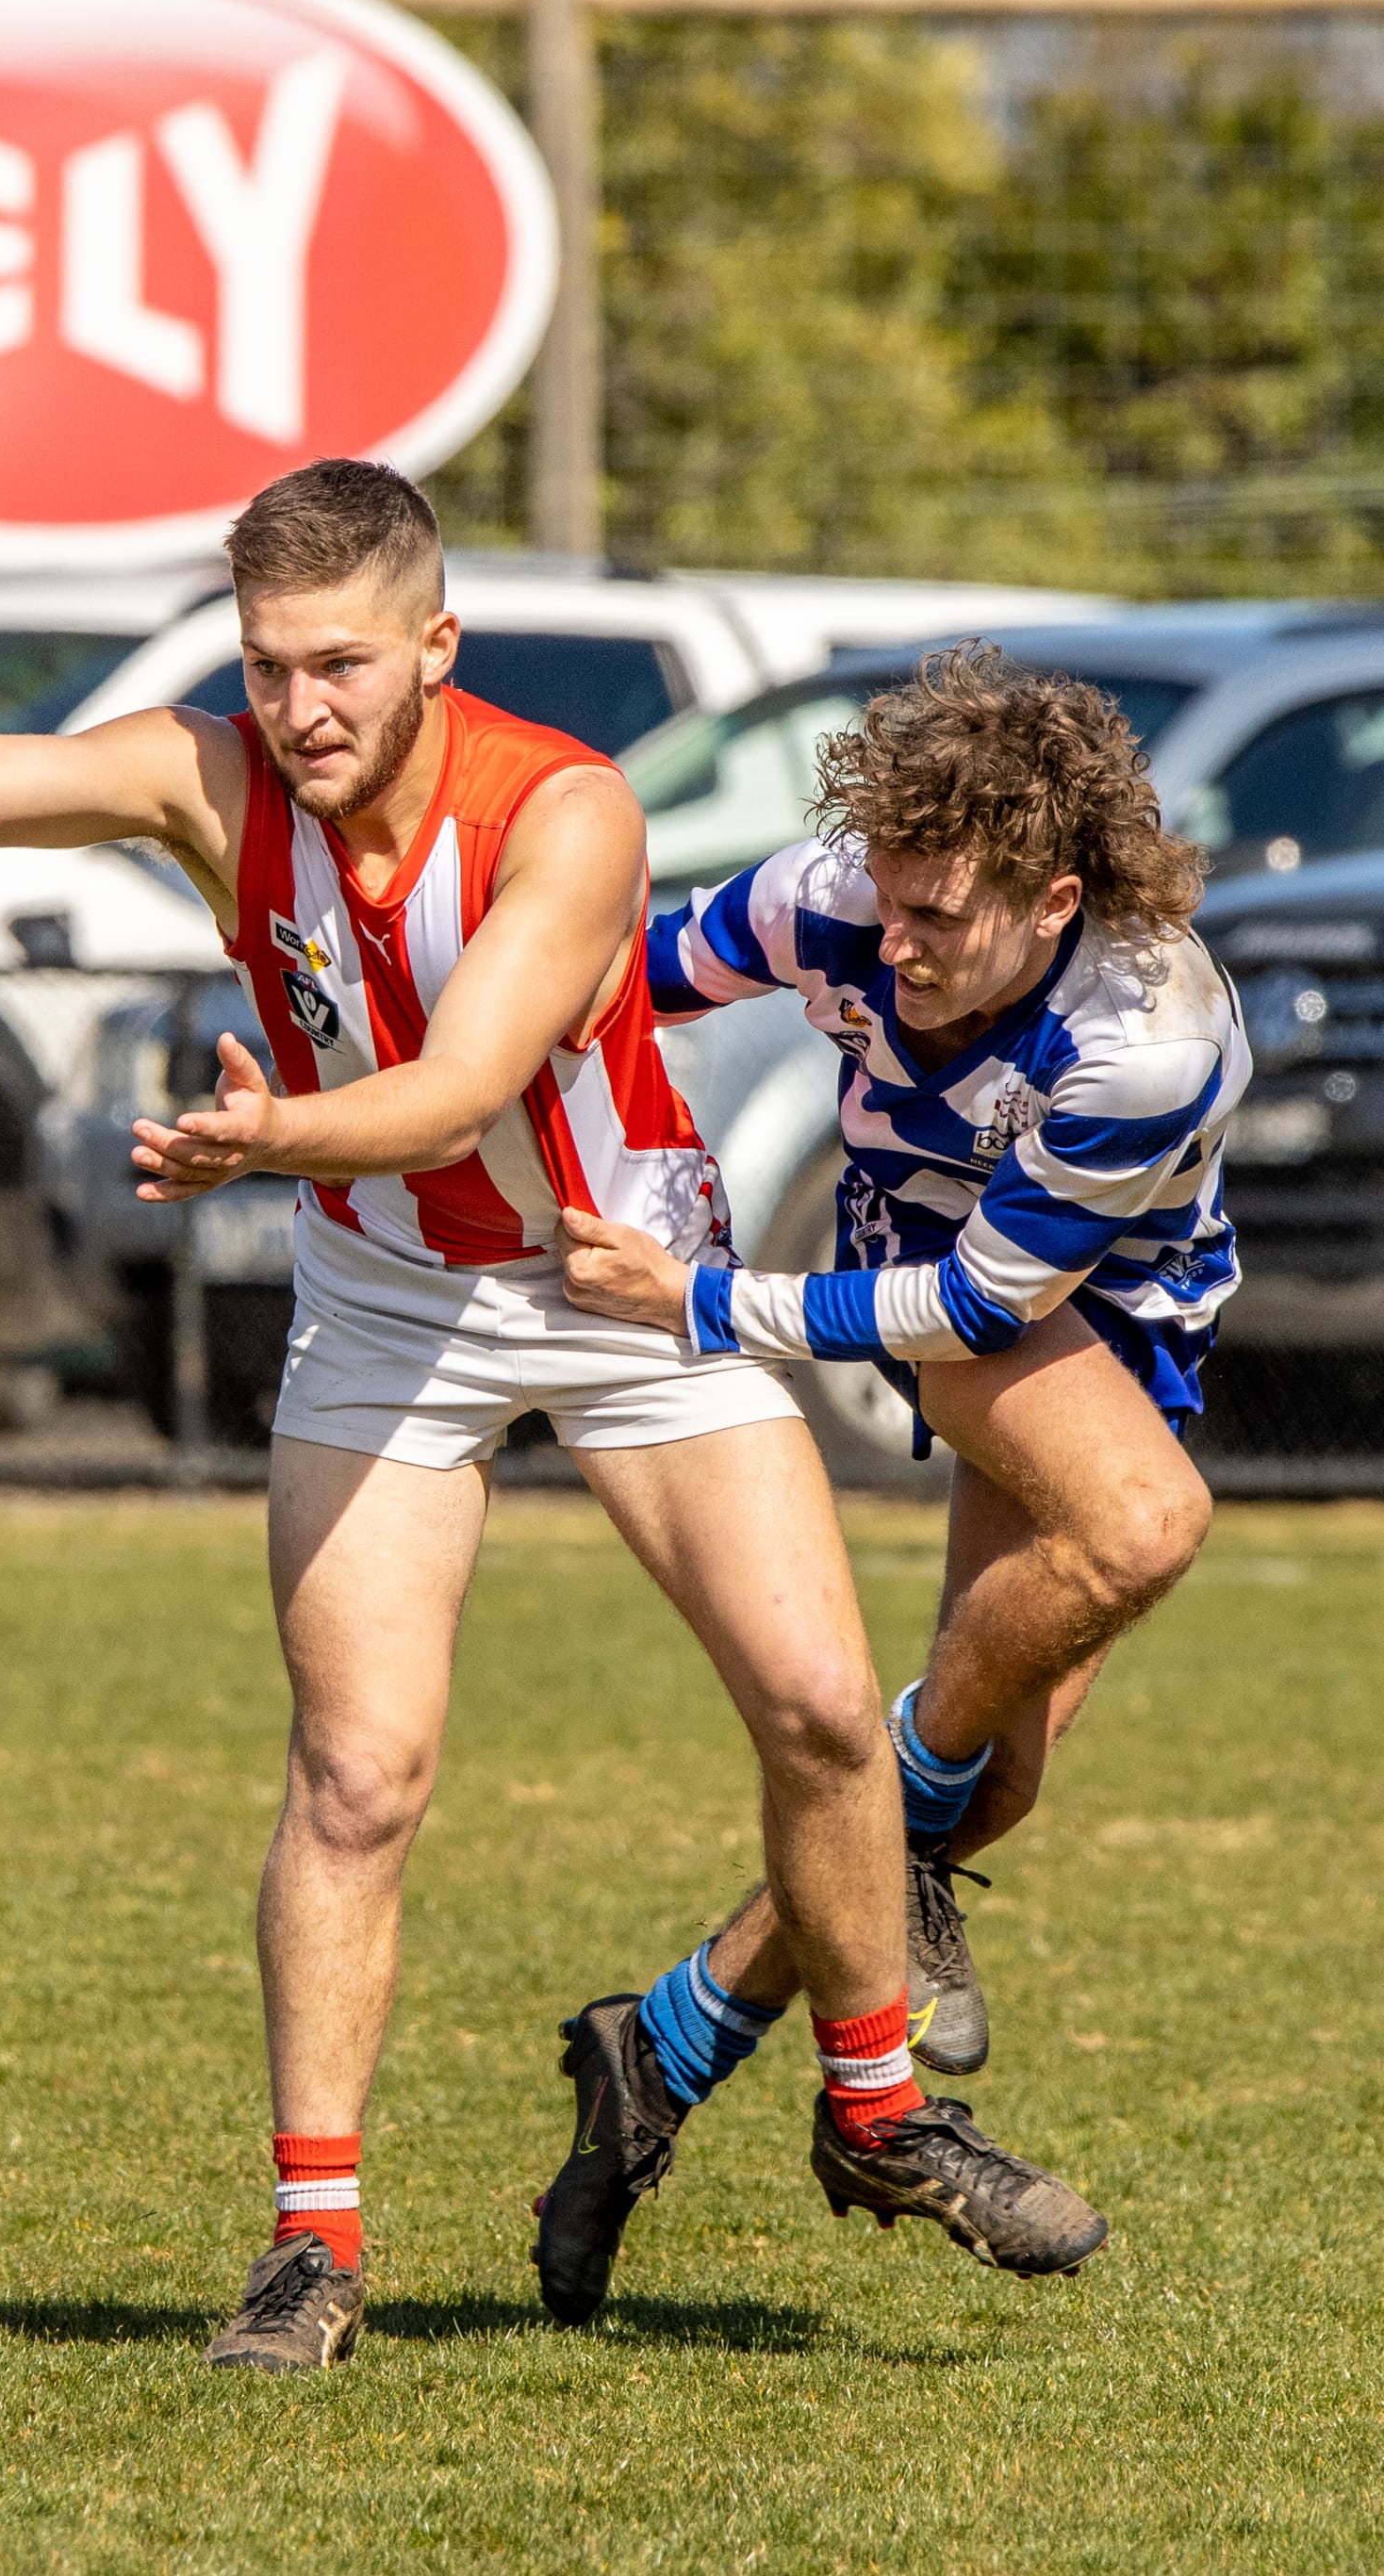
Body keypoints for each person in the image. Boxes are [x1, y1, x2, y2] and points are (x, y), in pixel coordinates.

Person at [0, 467, 1103, 2373]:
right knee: (357, 1775)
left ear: (435, 648)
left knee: (823, 1708)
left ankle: (878, 2118)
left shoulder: (565, 810)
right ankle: (311, 2247)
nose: (298, 706)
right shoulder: (210, 775)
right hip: (389, 1303)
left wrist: (269, 1138)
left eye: (339, 664)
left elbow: (462, 1083)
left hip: (621, 1275)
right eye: (268, 665)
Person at [550, 645, 1246, 2202]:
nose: (899, 941)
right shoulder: (836, 898)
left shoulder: (1147, 1032)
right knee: (1145, 1527)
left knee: (987, 1786)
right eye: (892, 900)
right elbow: (598, 980)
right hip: (928, 1264)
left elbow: (992, 1305)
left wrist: (701, 1299)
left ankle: (660, 2046)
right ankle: (887, 1920)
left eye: (942, 918)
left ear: (1055, 903)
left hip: (1090, 1304)